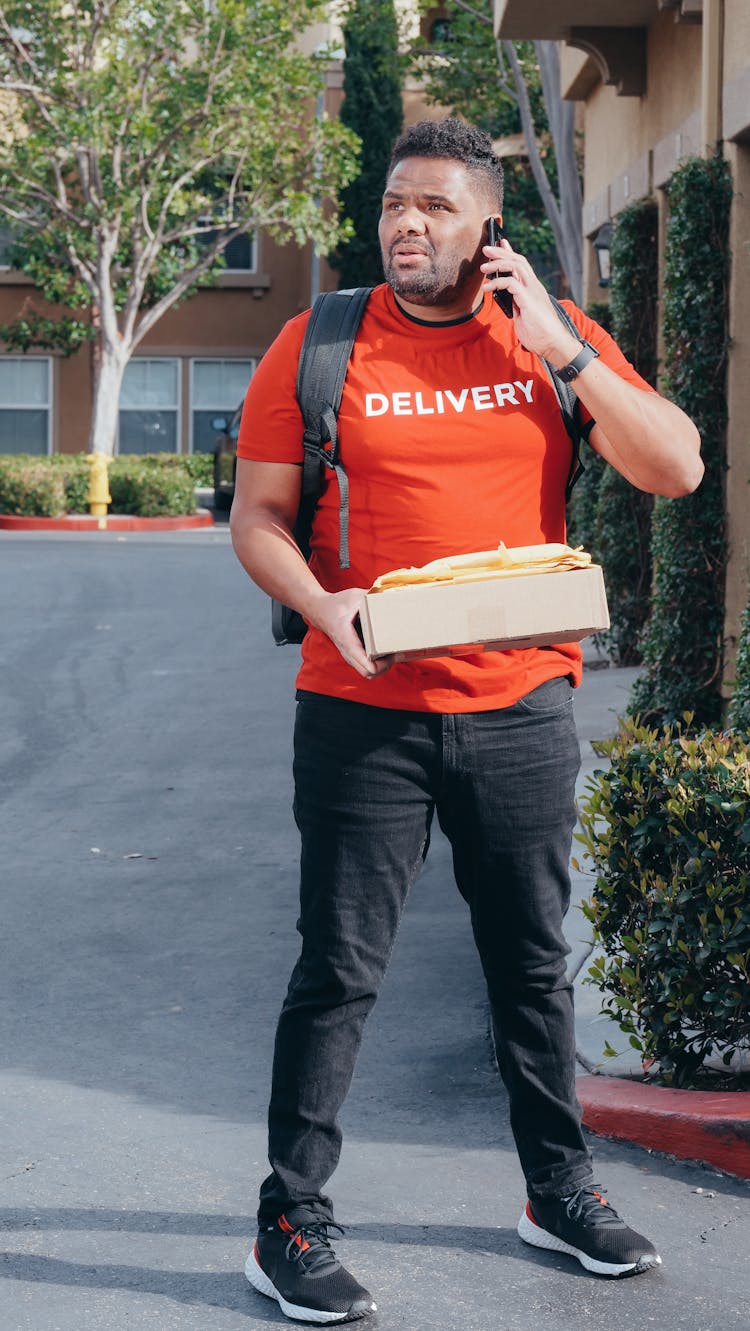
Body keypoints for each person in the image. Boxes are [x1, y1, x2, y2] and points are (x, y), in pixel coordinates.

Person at [230, 118, 703, 1324]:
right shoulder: (318, 341)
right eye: (397, 204)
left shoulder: (544, 339)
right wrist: (321, 602)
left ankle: (560, 1191)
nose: (407, 224)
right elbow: (260, 517)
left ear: (487, 225)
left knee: (533, 969)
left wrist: (562, 342)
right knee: (336, 972)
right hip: (361, 710)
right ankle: (289, 1218)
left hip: (521, 708)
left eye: (436, 206)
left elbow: (677, 467)